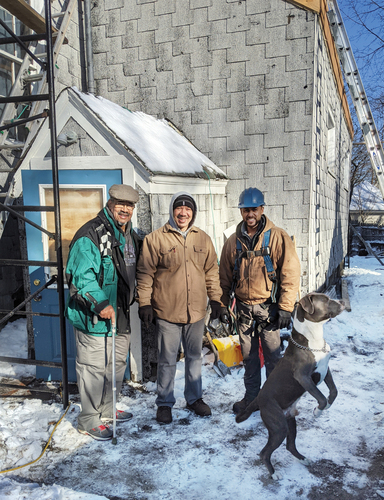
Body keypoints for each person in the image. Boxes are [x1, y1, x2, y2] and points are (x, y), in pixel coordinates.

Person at [136, 192, 226, 424]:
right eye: (179, 208)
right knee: (167, 359)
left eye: (188, 209)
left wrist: (216, 300)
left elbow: (211, 273)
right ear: (172, 210)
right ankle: (164, 403)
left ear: (193, 213)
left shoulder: (203, 239)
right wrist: (144, 303)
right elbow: (145, 274)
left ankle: (195, 399)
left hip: (195, 312)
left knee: (194, 357)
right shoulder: (155, 239)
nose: (183, 213)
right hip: (167, 312)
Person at [65, 184, 142, 440]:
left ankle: (108, 408)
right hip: (95, 316)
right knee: (93, 369)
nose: (125, 209)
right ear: (110, 203)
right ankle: (88, 419)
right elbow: (81, 278)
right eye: (120, 204)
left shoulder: (130, 236)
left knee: (116, 365)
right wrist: (100, 303)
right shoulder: (91, 235)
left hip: (120, 315)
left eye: (129, 206)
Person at [219, 187, 300, 414]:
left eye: (254, 209)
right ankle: (252, 398)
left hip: (269, 310)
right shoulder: (233, 241)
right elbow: (224, 276)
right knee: (249, 358)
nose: (250, 214)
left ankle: (275, 400)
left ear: (262, 209)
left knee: (274, 358)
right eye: (246, 210)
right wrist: (222, 304)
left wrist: (285, 307)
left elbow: (290, 273)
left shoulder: (277, 237)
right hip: (244, 310)